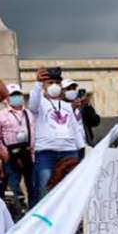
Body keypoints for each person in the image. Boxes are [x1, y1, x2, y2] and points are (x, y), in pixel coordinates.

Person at [28, 68, 83, 203]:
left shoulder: (67, 105)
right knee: (45, 188)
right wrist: (38, 83)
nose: (54, 85)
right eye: (50, 82)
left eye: (57, 82)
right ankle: (43, 220)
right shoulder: (40, 103)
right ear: (45, 86)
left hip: (69, 151)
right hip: (46, 152)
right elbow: (32, 105)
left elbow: (74, 128)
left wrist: (81, 148)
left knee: (71, 188)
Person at [0, 83, 36, 207]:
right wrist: (2, 153)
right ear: (7, 98)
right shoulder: (0, 115)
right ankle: (16, 211)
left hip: (29, 154)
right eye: (13, 95)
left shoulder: (29, 113)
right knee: (13, 186)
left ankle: (33, 210)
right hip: (10, 155)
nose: (16, 97)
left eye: (18, 95)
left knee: (32, 186)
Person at [62, 79, 101, 157]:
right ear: (62, 91)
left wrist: (87, 105)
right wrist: (72, 108)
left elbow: (95, 122)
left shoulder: (82, 107)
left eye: (74, 88)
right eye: (68, 89)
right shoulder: (59, 105)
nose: (72, 91)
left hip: (85, 146)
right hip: (69, 148)